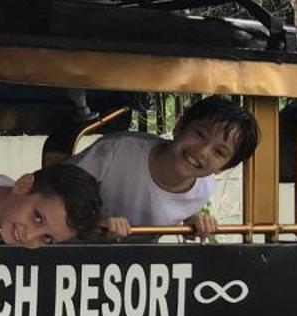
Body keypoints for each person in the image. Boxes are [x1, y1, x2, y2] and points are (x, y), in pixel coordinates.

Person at [72, 96, 259, 240]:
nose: (202, 151)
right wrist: (91, 222)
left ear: (224, 167)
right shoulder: (117, 149)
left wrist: (192, 222)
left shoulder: (204, 190)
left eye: (219, 152)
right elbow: (52, 189)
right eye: (200, 134)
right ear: (180, 126)